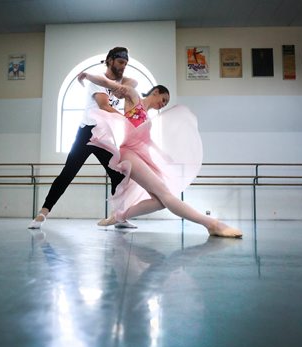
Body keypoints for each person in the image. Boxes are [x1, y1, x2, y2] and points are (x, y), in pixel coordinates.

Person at [77, 71, 243, 238]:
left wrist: (162, 155)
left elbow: (146, 141)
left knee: (160, 202)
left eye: (166, 102)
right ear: (155, 92)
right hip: (129, 154)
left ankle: (119, 216)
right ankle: (212, 224)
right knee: (165, 193)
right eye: (164, 99)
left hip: (139, 155)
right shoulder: (134, 98)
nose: (164, 104)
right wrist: (87, 76)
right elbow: (108, 83)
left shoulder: (146, 116)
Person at [28, 47, 137, 229]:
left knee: (118, 175)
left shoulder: (120, 82)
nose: (123, 66)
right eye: (120, 62)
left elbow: (134, 82)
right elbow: (103, 106)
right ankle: (42, 213)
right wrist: (126, 120)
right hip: (88, 132)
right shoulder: (98, 81)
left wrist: (120, 86)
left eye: (126, 63)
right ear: (109, 60)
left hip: (105, 136)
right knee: (68, 172)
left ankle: (119, 217)